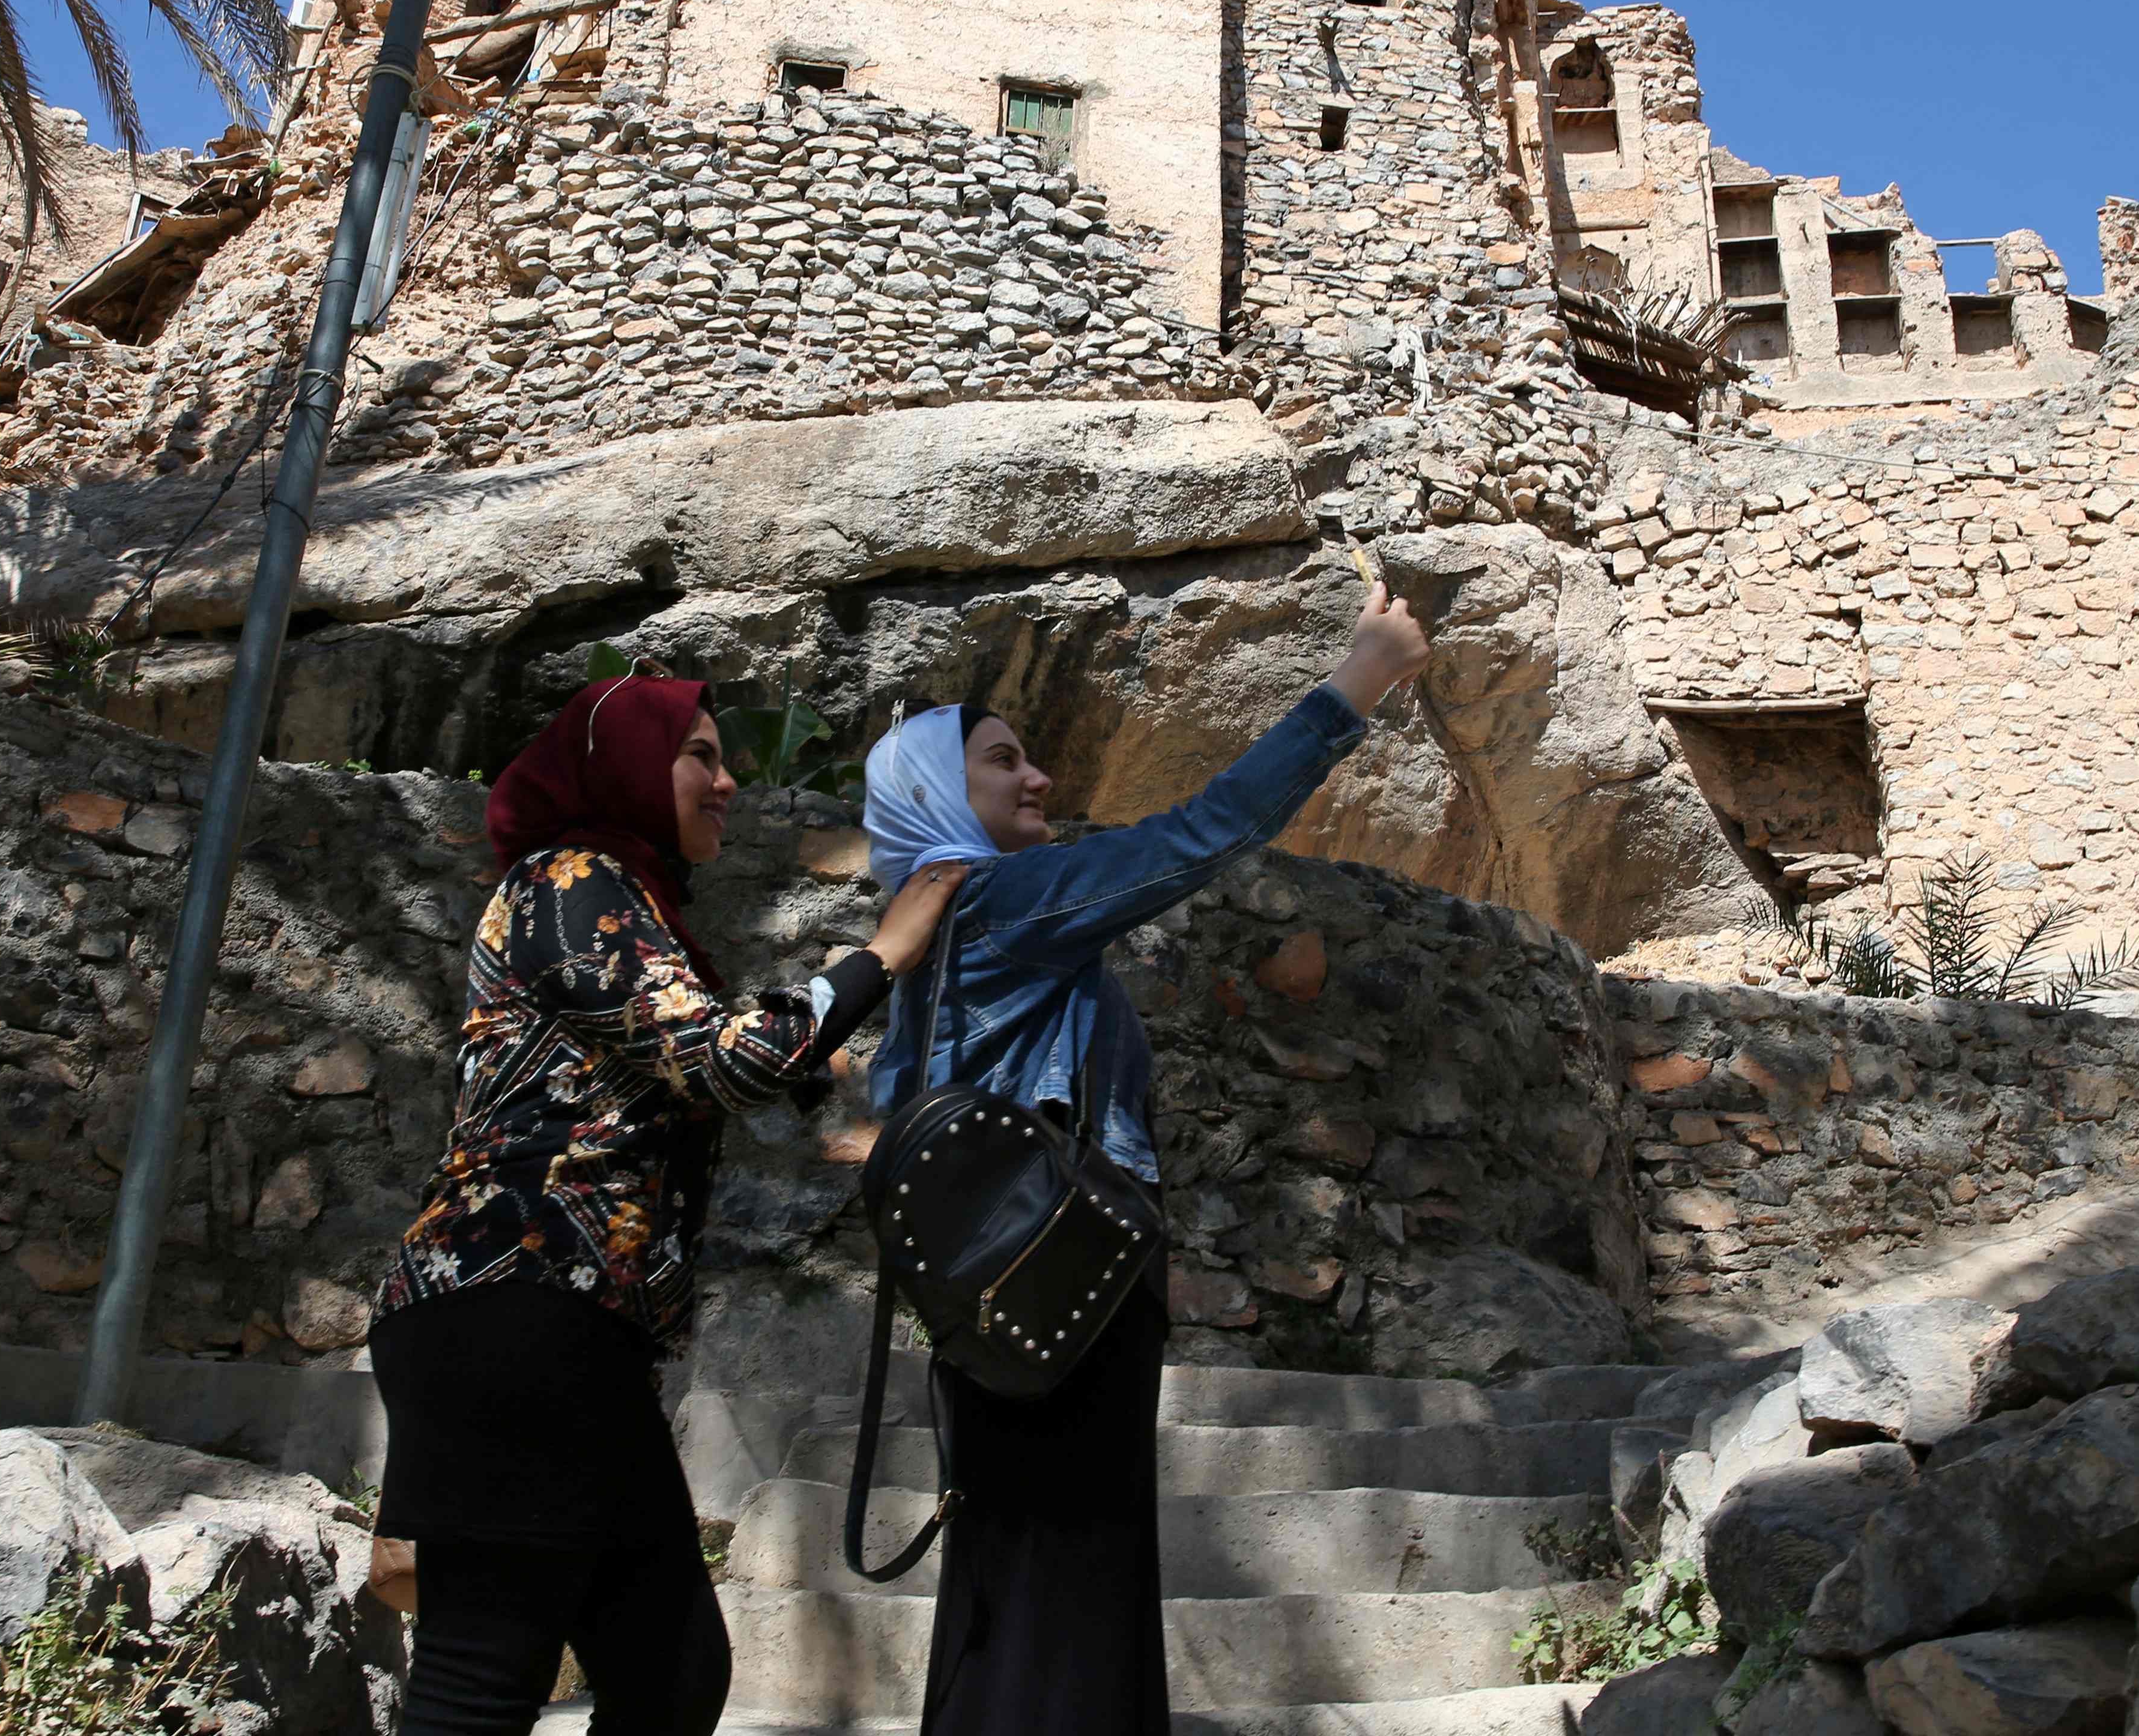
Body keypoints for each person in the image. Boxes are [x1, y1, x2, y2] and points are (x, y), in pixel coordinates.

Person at [858, 579, 1435, 1736]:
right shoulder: (1005, 904)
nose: (1040, 780)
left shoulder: (934, 953)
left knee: (1016, 1588)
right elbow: (1202, 834)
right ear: (936, 796)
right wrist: (1360, 678)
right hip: (1068, 1290)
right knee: (1071, 1590)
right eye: (1004, 762)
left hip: (1003, 1303)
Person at [371, 671, 969, 1736]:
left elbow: (696, 1060)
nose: (729, 779)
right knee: (482, 1679)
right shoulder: (571, 877)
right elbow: (719, 1058)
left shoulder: (633, 901)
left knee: (671, 1669)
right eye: (700, 754)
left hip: (558, 1328)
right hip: (515, 1303)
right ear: (625, 763)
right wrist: (891, 944)